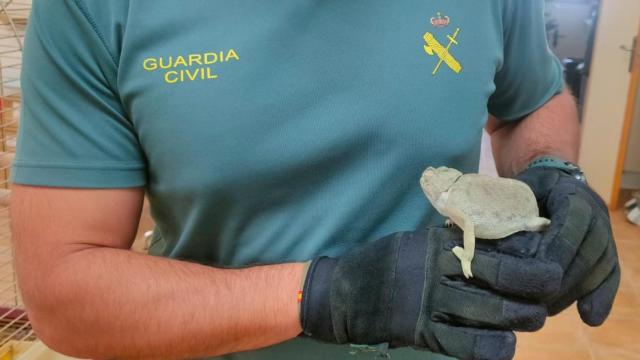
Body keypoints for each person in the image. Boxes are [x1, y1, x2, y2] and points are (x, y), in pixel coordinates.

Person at [11, 1, 619, 359]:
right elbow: (63, 287)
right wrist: (327, 293)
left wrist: (551, 170)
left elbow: (528, 104)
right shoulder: (92, 10)